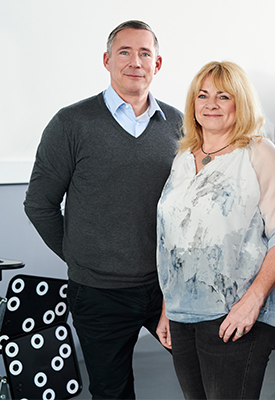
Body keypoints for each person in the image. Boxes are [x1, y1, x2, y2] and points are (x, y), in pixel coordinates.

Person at [23, 20, 182, 399]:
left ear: (157, 64)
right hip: (98, 293)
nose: (135, 62)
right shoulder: (71, 123)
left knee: (206, 378)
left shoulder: (179, 124)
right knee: (112, 392)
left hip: (167, 288)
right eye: (125, 52)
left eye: (145, 53)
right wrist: (81, 256)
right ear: (107, 60)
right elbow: (39, 204)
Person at [155, 61, 275, 400]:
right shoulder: (183, 157)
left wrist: (252, 301)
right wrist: (167, 308)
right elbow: (173, 241)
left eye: (223, 96)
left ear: (241, 102)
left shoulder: (260, 153)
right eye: (202, 95)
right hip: (182, 314)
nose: (211, 104)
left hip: (238, 313)